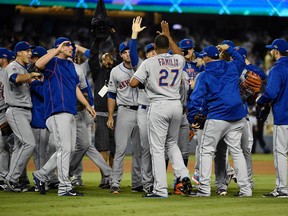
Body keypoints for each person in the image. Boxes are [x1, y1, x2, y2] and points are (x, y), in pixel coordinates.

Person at [130, 27, 192, 198]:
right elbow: (180, 53)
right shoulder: (178, 60)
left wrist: (146, 81)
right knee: (171, 144)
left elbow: (133, 83)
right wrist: (168, 35)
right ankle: (183, 174)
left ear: (155, 48)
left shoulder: (149, 62)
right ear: (169, 46)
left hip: (158, 105)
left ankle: (160, 189)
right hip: (176, 106)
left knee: (157, 149)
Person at [33, 37, 96, 196]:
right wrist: (57, 50)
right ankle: (65, 187)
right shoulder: (52, 62)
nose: (72, 48)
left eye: (71, 46)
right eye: (68, 45)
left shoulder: (70, 66)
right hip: (56, 110)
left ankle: (41, 175)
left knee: (68, 149)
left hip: (70, 111)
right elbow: (38, 65)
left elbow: (75, 89)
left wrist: (87, 105)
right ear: (60, 47)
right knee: (65, 149)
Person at [187, 44, 252, 197]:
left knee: (206, 151)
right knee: (237, 152)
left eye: (203, 56)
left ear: (208, 57)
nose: (202, 58)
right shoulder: (231, 68)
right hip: (237, 116)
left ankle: (204, 189)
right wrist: (228, 48)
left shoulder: (204, 75)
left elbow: (196, 99)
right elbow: (240, 60)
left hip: (217, 116)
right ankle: (246, 189)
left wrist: (192, 118)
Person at [3, 41, 41, 192]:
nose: (30, 53)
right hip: (16, 110)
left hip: (24, 111)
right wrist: (31, 75)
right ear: (19, 52)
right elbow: (15, 79)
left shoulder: (23, 68)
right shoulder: (13, 66)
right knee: (29, 144)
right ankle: (12, 178)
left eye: (30, 51)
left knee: (19, 147)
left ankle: (12, 180)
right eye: (27, 51)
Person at [107, 40, 142, 194]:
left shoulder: (141, 66)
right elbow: (111, 95)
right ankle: (115, 182)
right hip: (124, 111)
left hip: (141, 111)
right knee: (120, 149)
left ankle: (137, 183)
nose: (128, 54)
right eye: (125, 52)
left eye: (130, 51)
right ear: (121, 55)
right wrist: (110, 116)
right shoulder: (115, 71)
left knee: (139, 150)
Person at [88, 25, 121, 187]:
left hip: (117, 114)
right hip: (101, 114)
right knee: (103, 147)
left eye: (110, 58)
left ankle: (113, 176)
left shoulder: (118, 71)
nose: (107, 60)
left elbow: (121, 51)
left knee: (115, 149)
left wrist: (114, 35)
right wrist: (97, 40)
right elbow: (93, 55)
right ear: (100, 62)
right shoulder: (97, 72)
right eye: (104, 58)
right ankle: (105, 177)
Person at [129, 16, 156, 194]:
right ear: (146, 55)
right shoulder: (142, 64)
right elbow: (132, 56)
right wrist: (134, 35)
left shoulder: (163, 65)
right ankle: (147, 184)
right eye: (150, 52)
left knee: (159, 148)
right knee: (147, 147)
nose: (153, 53)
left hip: (159, 110)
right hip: (144, 110)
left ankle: (156, 181)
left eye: (155, 50)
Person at [258, 38, 288, 198]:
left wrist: (260, 101)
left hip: (284, 118)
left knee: (281, 153)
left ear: (276, 52)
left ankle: (282, 189)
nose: (271, 52)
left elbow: (271, 93)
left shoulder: (277, 70)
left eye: (272, 50)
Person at [0, 48, 13, 190]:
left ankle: (4, 177)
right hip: (4, 112)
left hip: (5, 112)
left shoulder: (8, 72)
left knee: (4, 147)